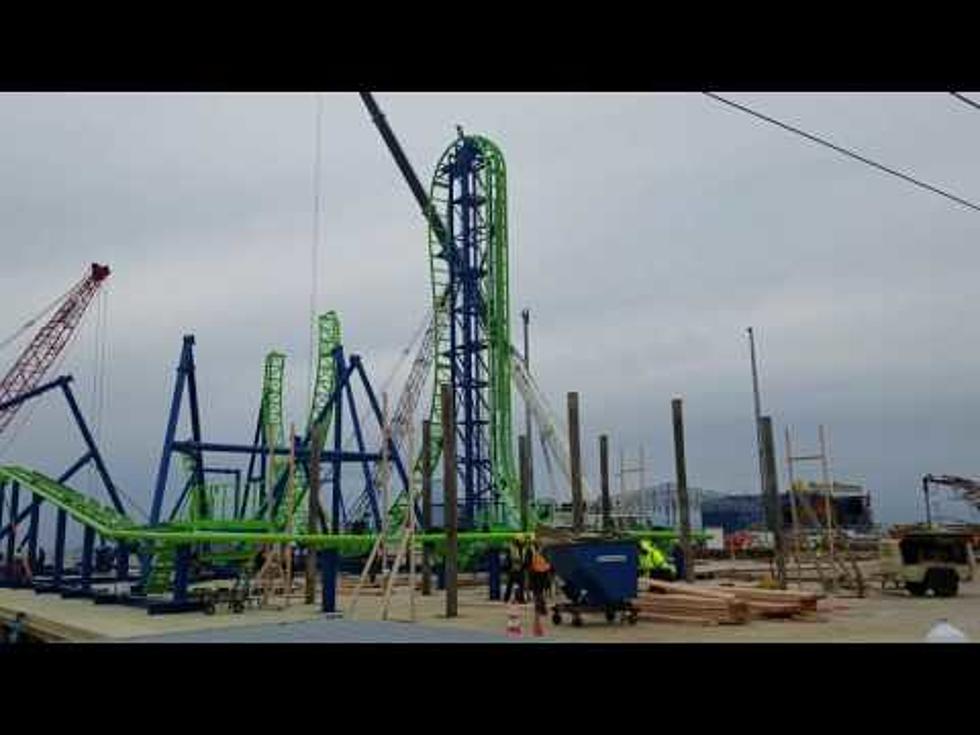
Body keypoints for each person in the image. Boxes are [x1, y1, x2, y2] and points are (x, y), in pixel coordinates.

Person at [528, 542, 552, 617]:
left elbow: (530, 563)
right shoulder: (544, 551)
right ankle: (541, 608)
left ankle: (540, 608)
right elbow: (548, 562)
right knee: (539, 592)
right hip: (542, 573)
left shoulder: (534, 552)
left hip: (537, 573)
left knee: (538, 592)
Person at [503, 537, 527, 603]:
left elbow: (525, 559)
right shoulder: (512, 549)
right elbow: (509, 559)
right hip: (513, 570)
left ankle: (521, 599)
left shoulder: (524, 549)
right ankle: (506, 598)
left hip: (520, 570)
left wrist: (524, 565)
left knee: (521, 586)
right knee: (509, 586)